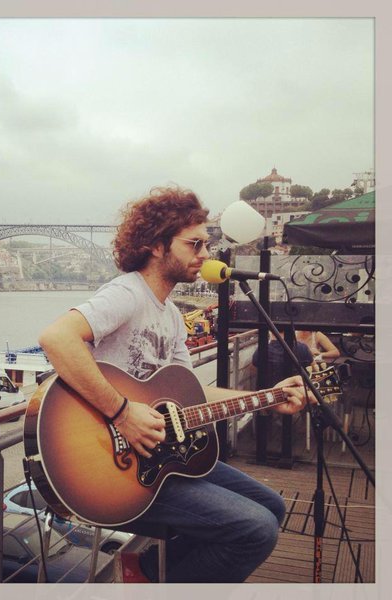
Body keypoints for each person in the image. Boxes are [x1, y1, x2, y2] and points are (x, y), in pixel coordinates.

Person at [38, 186, 313, 583]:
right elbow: (57, 338)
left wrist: (265, 398)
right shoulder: (128, 293)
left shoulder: (169, 315)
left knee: (272, 506)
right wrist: (122, 412)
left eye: (207, 244)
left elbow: (192, 395)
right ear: (155, 245)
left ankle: (145, 571)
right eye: (193, 244)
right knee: (255, 529)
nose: (205, 254)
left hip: (159, 456)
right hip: (117, 469)